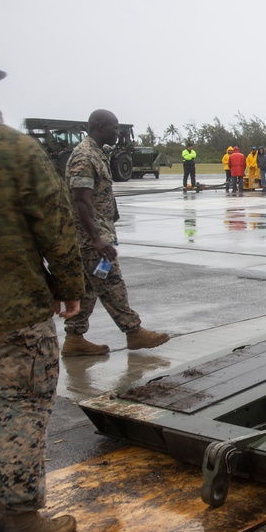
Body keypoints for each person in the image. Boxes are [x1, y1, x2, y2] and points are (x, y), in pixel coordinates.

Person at [0, 51, 85, 532]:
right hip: (12, 312)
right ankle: (18, 517)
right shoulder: (15, 151)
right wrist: (70, 289)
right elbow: (57, 228)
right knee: (20, 406)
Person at [62, 109, 171, 356]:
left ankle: (74, 338)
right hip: (90, 238)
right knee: (112, 283)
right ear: (100, 127)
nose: (118, 131)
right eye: (114, 127)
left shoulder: (97, 153)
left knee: (88, 289)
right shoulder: (84, 157)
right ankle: (134, 332)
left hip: (96, 232)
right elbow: (80, 201)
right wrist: (96, 238)